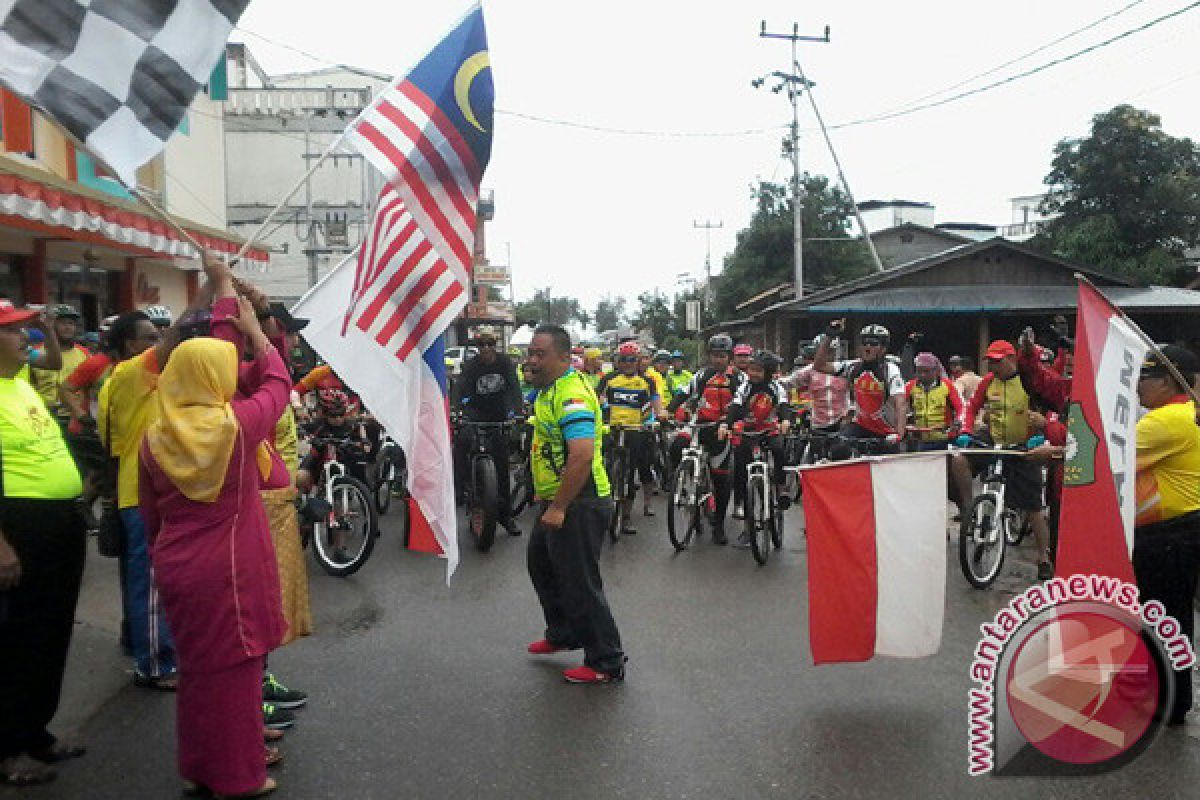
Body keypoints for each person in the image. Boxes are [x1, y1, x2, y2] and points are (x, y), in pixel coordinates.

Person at [139, 298, 290, 797]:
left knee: (198, 673)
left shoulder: (154, 435)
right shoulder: (236, 428)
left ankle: (200, 766)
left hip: (177, 564)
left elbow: (150, 514)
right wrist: (258, 333)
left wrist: (232, 309)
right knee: (235, 677)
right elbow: (277, 383)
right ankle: (237, 776)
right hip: (229, 568)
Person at [0, 301, 87, 788]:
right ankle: (9, 747)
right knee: (18, 638)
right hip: (19, 525)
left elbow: (51, 361)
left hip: (59, 520)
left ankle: (37, 732)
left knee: (52, 629)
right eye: (13, 331)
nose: (24, 338)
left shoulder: (19, 381)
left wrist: (44, 329)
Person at [523, 324, 625, 684]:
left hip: (581, 500)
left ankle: (606, 660)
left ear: (565, 358)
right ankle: (563, 633)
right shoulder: (548, 390)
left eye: (540, 354)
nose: (532, 360)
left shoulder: (571, 395)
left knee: (580, 582)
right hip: (557, 497)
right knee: (541, 563)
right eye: (530, 353)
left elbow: (581, 456)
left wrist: (559, 507)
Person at [1131, 344, 1200, 726]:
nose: (1139, 385)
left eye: (1146, 377)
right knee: (1169, 616)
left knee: (1165, 618)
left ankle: (1169, 702)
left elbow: (1106, 454)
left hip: (1168, 534)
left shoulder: (1165, 421)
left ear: (1169, 381)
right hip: (1178, 530)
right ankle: (1167, 696)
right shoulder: (1183, 415)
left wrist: (1053, 447)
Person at [956, 339, 1054, 579]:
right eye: (990, 362)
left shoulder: (1028, 381)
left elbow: (1050, 410)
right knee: (959, 460)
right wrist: (966, 431)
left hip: (1024, 445)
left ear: (1012, 359)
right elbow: (971, 408)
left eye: (998, 362)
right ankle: (969, 508)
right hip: (994, 438)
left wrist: (1041, 436)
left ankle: (1043, 557)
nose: (993, 367)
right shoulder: (989, 382)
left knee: (1033, 507)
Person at [668, 333, 745, 544]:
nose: (717, 360)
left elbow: (741, 404)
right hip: (699, 424)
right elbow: (684, 393)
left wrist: (729, 424)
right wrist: (668, 410)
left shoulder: (738, 378)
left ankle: (718, 525)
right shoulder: (702, 375)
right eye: (714, 355)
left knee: (721, 479)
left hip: (721, 428)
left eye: (722, 356)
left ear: (729, 357)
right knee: (677, 446)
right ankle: (685, 485)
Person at [452, 326, 524, 536]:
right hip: (475, 415)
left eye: (490, 344)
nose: (485, 348)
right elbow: (460, 389)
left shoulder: (505, 363)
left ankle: (505, 516)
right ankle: (461, 490)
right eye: (481, 344)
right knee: (462, 443)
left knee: (502, 468)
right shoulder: (471, 366)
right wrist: (457, 410)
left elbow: (514, 389)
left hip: (499, 416)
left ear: (495, 345)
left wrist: (516, 412)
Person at [722, 350, 793, 548]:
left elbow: (785, 406)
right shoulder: (744, 387)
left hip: (769, 431)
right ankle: (748, 526)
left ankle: (781, 488)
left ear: (768, 373)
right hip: (747, 432)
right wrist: (727, 425)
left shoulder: (776, 388)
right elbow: (735, 408)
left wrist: (786, 421)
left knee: (779, 449)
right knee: (742, 475)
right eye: (751, 369)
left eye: (757, 370)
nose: (752, 373)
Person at [811, 321, 907, 451]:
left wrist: (899, 433)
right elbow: (819, 366)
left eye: (873, 344)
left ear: (883, 348)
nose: (867, 347)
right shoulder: (853, 367)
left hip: (886, 431)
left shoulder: (890, 370)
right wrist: (829, 337)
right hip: (861, 426)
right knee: (837, 448)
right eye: (864, 343)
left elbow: (900, 403)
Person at [596, 341, 659, 530]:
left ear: (638, 361)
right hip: (612, 428)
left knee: (631, 471)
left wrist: (658, 417)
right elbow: (598, 398)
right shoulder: (608, 379)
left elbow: (654, 403)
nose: (628, 363)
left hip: (635, 429)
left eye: (632, 360)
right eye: (624, 360)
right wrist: (602, 409)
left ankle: (626, 517)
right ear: (618, 361)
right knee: (601, 465)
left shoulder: (647, 382)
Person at [26, 305, 89, 416]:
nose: (67, 327)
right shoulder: (36, 353)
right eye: (63, 323)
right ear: (51, 325)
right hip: (42, 415)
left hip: (75, 416)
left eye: (71, 323)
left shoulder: (85, 354)